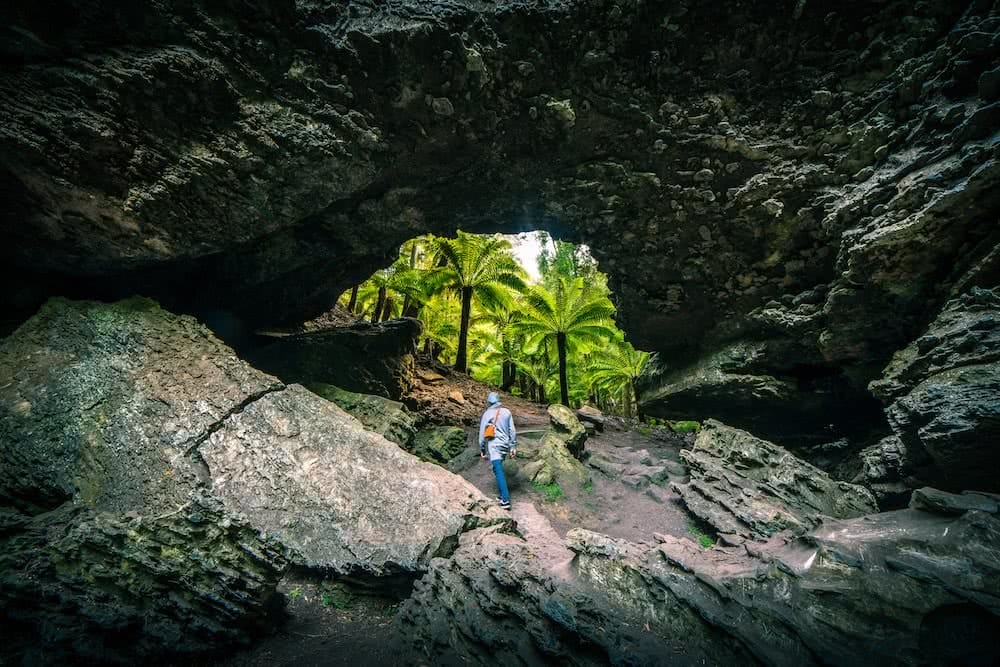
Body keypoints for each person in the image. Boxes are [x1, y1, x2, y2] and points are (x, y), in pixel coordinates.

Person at [478, 391, 517, 510]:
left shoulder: (487, 414)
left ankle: (505, 500)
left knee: (498, 470)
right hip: (505, 445)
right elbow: (512, 430)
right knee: (497, 469)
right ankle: (502, 495)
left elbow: (482, 434)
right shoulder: (507, 412)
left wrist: (482, 449)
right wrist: (513, 446)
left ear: (489, 402)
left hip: (494, 446)